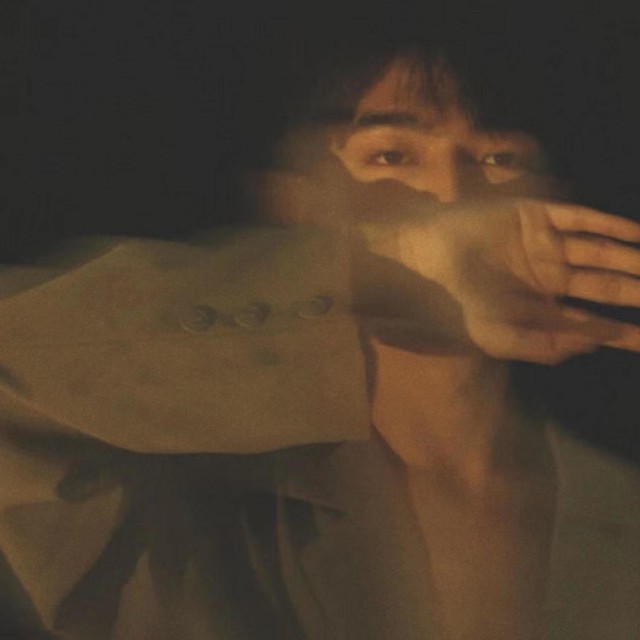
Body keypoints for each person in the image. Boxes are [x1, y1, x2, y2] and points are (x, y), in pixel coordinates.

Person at [1, 13, 640, 640]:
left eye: (498, 156)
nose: (451, 194)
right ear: (291, 203)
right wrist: (389, 265)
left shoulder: (615, 510)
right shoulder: (164, 488)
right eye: (392, 155)